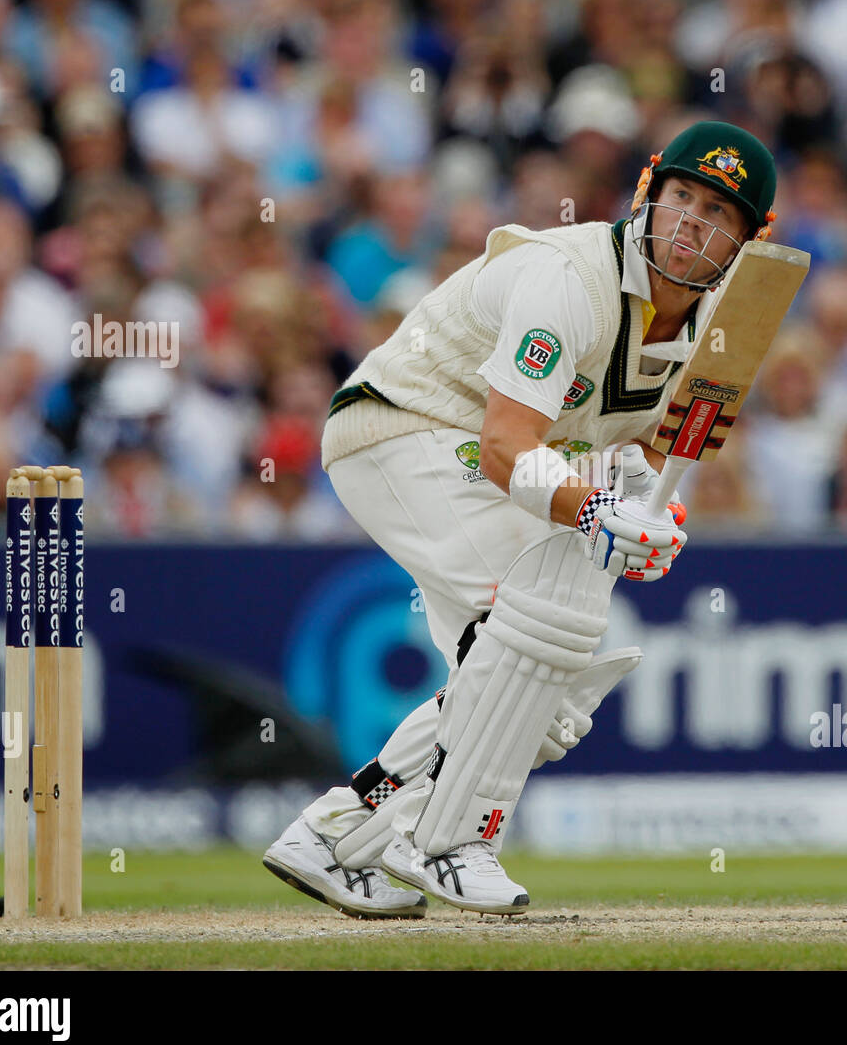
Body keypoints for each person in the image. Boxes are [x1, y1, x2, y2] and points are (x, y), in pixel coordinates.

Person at [263, 121, 778, 916]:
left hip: (480, 456)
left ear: (747, 238)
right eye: (682, 197)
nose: (691, 223)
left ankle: (338, 836)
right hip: (404, 427)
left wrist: (650, 511)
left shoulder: (707, 328)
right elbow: (507, 446)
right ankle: (451, 842)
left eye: (719, 213)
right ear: (648, 191)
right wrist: (598, 510)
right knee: (539, 624)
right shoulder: (566, 279)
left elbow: (638, 440)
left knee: (550, 692)